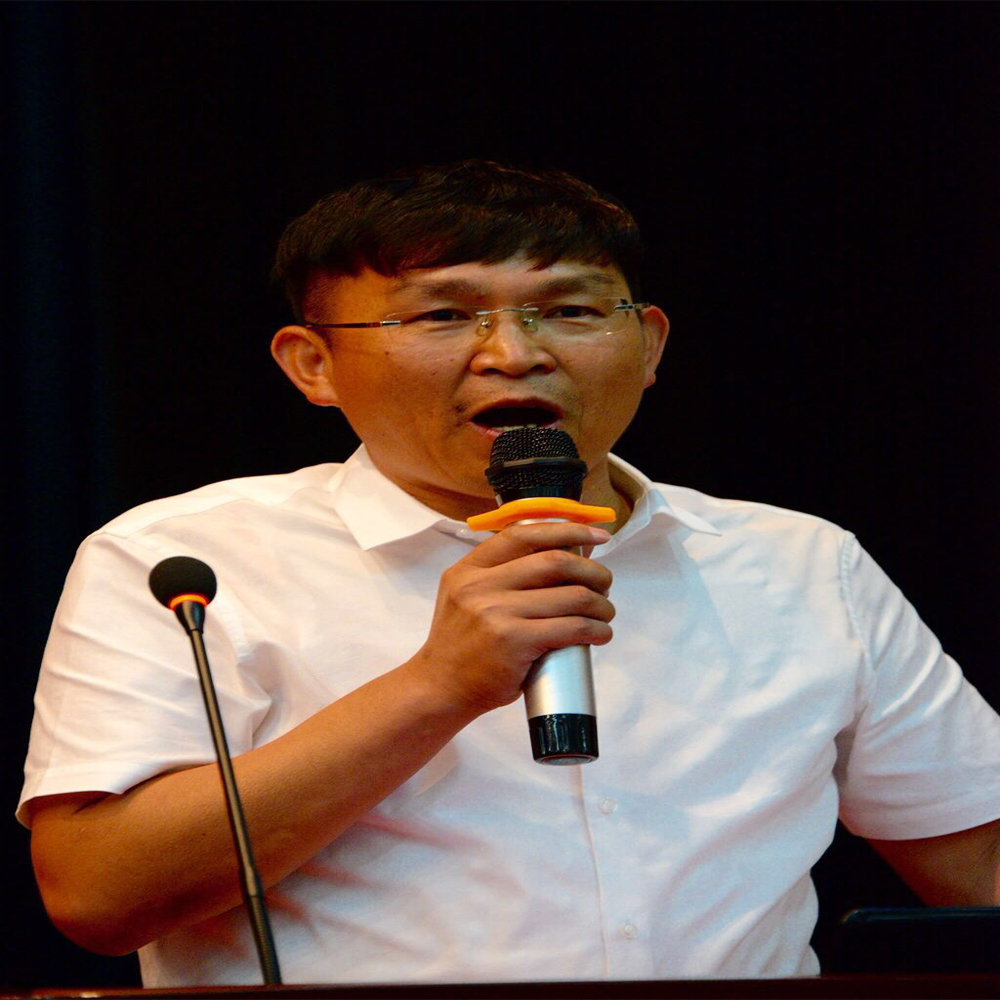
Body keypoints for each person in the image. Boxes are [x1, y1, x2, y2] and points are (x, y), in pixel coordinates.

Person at [19, 161, 1000, 987]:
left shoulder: (798, 564)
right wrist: (435, 687)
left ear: (649, 344)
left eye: (569, 309)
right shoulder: (185, 561)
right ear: (313, 364)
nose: (514, 354)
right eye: (444, 314)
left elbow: (977, 862)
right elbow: (100, 895)